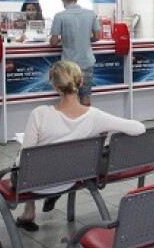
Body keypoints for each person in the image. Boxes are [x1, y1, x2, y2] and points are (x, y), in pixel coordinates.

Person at [13, 61, 145, 231]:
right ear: (81, 82)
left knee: (21, 158)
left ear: (56, 87)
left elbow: (25, 161)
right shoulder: (95, 117)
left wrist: (18, 157)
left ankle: (29, 210)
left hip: (34, 183)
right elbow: (138, 128)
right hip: (70, 180)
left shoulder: (39, 114)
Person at [50, 0, 100, 106]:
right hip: (86, 61)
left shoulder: (60, 16)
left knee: (68, 96)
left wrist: (62, 39)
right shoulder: (90, 13)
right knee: (85, 95)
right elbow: (97, 37)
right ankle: (86, 122)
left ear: (63, 1)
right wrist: (86, 39)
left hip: (69, 65)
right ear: (76, 0)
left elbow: (53, 41)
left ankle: (71, 122)